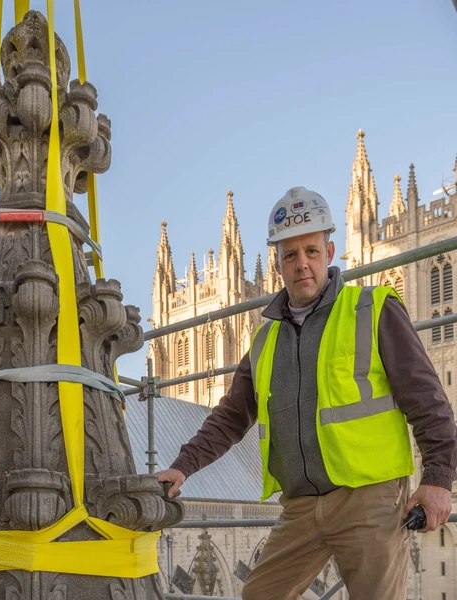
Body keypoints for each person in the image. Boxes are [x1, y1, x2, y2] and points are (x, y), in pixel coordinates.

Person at [157, 187, 457, 600]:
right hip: (300, 506)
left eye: (311, 252)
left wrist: (439, 478)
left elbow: (428, 401)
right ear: (278, 263)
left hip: (368, 501)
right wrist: (183, 466)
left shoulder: (371, 308)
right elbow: (230, 416)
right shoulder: (264, 339)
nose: (302, 264)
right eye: (291, 255)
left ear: (330, 251)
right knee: (259, 595)